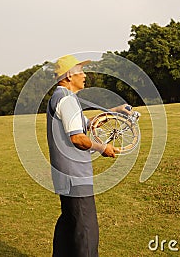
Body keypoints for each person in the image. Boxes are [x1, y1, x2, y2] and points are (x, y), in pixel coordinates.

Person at [47, 55, 130, 256]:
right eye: (80, 71)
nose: (84, 75)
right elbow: (77, 138)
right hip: (75, 174)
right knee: (85, 228)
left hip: (65, 174)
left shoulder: (63, 97)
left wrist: (114, 112)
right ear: (68, 76)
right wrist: (103, 148)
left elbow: (86, 124)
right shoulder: (66, 100)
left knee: (69, 221)